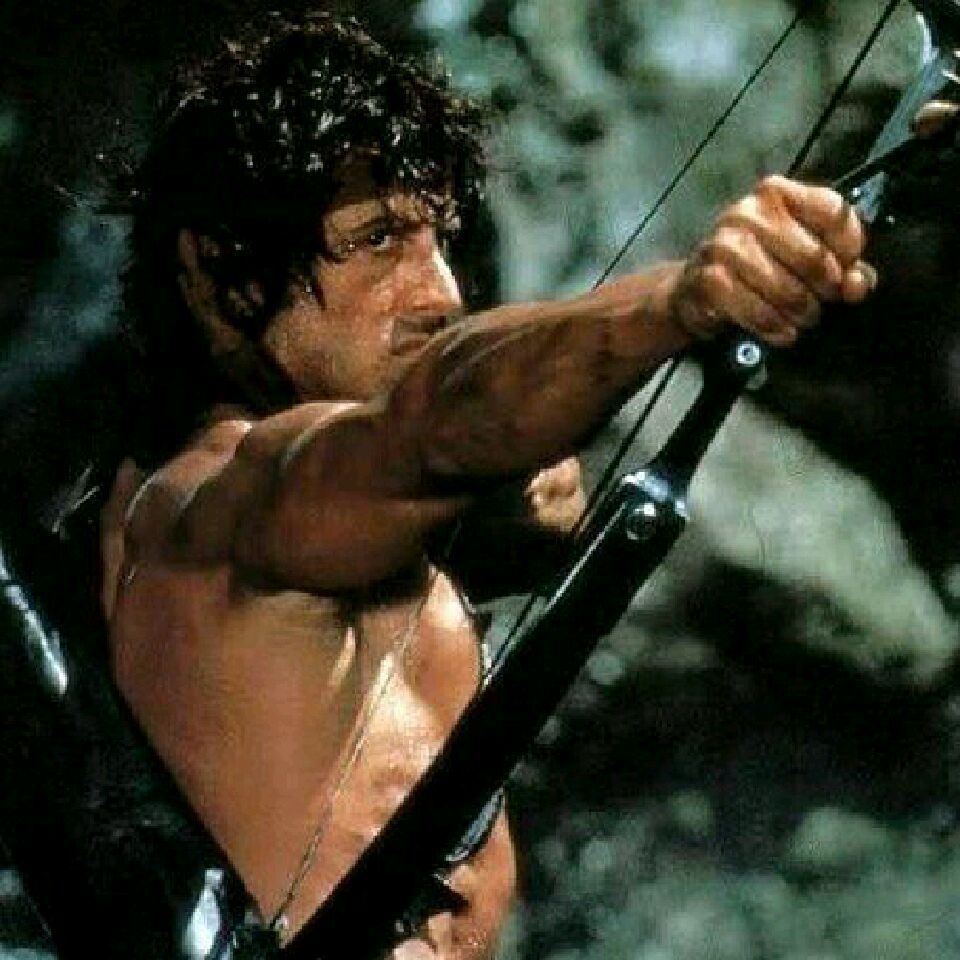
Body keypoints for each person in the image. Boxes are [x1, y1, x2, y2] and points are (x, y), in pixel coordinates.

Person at [98, 11, 874, 959]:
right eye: (378, 240)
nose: (441, 293)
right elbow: (429, 427)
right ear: (215, 270)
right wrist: (676, 302)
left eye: (439, 240)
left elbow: (456, 469)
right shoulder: (213, 502)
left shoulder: (345, 525)